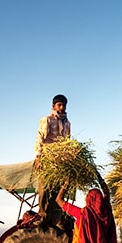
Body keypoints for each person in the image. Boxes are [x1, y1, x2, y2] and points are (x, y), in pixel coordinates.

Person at [34, 94, 71, 227]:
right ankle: (42, 216)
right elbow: (40, 138)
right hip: (47, 159)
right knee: (44, 188)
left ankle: (55, 219)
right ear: (53, 106)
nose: (61, 107)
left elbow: (67, 142)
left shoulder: (67, 123)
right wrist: (38, 157)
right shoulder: (47, 120)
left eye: (64, 105)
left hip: (60, 162)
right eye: (59, 105)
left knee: (58, 190)